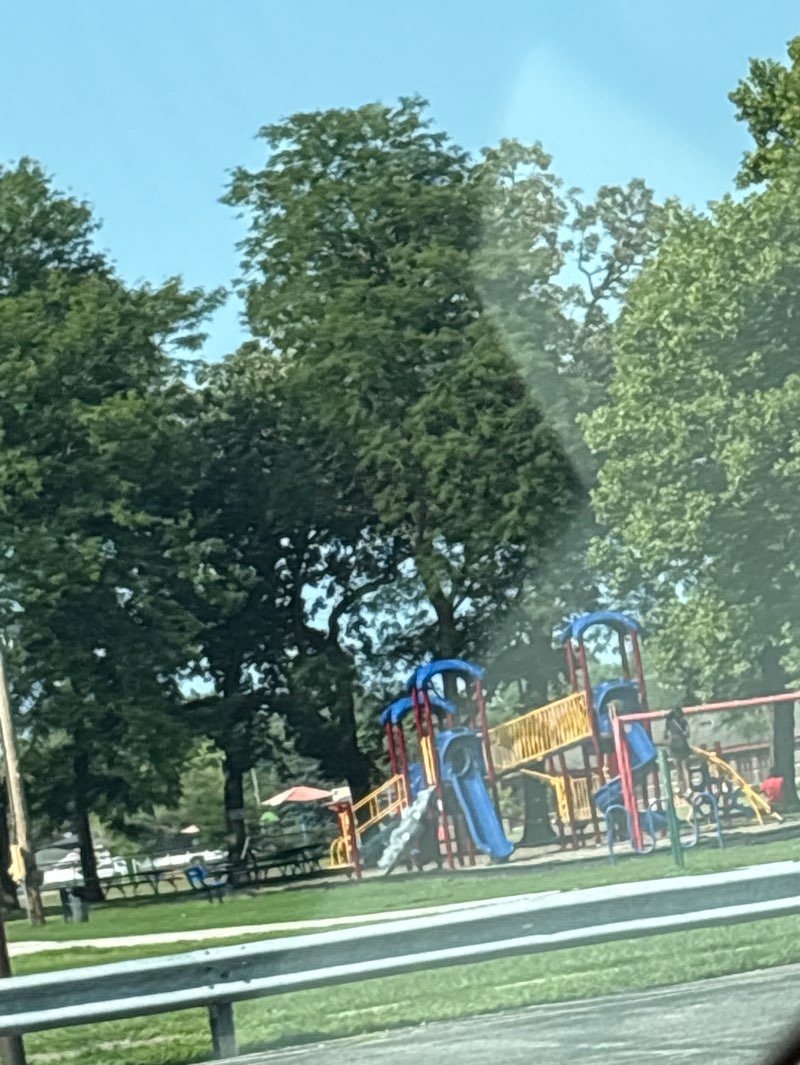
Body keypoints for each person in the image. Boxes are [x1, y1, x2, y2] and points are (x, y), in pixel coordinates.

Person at [664, 706, 692, 793]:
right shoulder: (684, 721)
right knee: (685, 768)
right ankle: (688, 788)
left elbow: (665, 735)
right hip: (683, 744)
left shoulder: (668, 722)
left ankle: (678, 787)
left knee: (677, 768)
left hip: (674, 744)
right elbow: (688, 734)